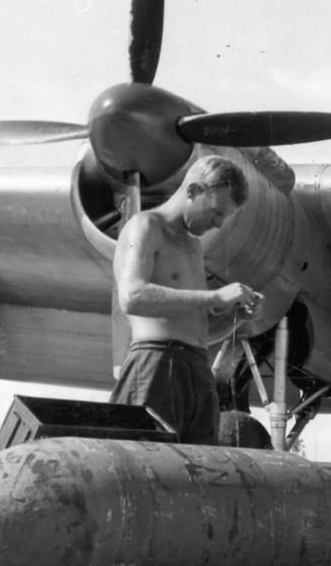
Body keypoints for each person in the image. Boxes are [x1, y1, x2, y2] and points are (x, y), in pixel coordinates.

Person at [110, 155, 264, 444]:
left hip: (196, 368)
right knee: (147, 463)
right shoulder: (144, 226)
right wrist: (214, 296)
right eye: (216, 212)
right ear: (192, 191)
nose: (218, 224)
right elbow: (132, 296)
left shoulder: (192, 245)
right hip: (155, 363)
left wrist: (239, 317)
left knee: (197, 470)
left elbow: (199, 332)